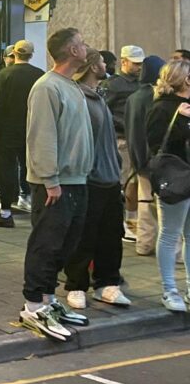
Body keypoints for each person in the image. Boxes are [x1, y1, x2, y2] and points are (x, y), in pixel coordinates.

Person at [18, 28, 93, 341]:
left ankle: (48, 301)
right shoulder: (46, 87)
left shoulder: (70, 85)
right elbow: (42, 136)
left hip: (76, 180)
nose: (86, 46)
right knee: (46, 245)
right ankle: (33, 306)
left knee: (66, 245)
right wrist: (50, 181)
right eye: (82, 42)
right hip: (56, 183)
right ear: (73, 50)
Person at [63, 50, 131, 311]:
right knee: (84, 234)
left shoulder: (100, 96)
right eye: (102, 61)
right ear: (92, 66)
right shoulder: (78, 96)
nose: (106, 65)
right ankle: (76, 284)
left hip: (109, 176)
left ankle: (107, 283)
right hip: (87, 176)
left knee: (111, 233)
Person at [145, 59, 190, 312]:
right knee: (170, 233)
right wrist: (180, 120)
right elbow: (155, 146)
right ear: (186, 80)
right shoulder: (163, 108)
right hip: (173, 178)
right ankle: (169, 290)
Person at [0, 40, 44, 227]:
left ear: (14, 54)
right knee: (31, 169)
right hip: (31, 129)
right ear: (31, 54)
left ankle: (5, 212)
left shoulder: (5, 74)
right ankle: (36, 208)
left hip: (7, 131)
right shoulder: (39, 75)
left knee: (6, 170)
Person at [100, 45, 144, 240]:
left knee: (135, 182)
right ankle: (126, 222)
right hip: (122, 138)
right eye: (135, 64)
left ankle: (132, 220)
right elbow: (104, 111)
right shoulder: (112, 85)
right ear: (124, 62)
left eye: (141, 64)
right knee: (125, 182)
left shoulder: (142, 83)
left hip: (137, 138)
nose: (139, 67)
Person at [125, 55, 166, 256]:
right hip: (156, 159)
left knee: (144, 203)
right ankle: (166, 248)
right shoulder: (155, 97)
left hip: (140, 159)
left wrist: (137, 159)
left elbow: (132, 130)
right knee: (161, 205)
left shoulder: (133, 97)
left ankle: (144, 243)